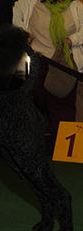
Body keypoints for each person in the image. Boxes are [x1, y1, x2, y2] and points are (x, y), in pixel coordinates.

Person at [13, 0, 83, 145]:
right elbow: (16, 27)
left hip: (66, 67)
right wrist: (24, 36)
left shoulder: (77, 6)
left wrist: (71, 40)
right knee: (35, 107)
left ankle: (63, 145)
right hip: (35, 66)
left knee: (64, 109)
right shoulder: (25, 4)